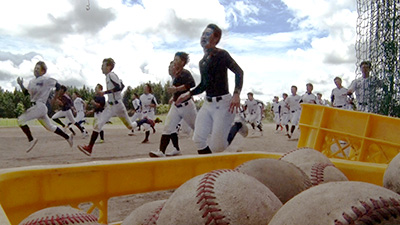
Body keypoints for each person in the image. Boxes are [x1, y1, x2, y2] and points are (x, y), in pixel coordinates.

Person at [176, 23, 247, 154]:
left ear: (216, 39)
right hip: (208, 104)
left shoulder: (222, 55)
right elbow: (204, 84)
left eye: (208, 34)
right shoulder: (202, 62)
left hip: (224, 104)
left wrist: (236, 94)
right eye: (203, 33)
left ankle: (237, 124)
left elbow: (239, 72)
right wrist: (188, 94)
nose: (203, 36)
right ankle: (208, 168)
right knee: (198, 139)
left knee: (218, 147)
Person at [77, 58, 135, 156]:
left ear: (108, 67)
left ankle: (146, 121)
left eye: (103, 65)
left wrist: (104, 92)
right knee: (98, 124)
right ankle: (89, 148)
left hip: (118, 105)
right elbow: (122, 86)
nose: (101, 67)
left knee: (130, 126)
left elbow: (118, 87)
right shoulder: (109, 76)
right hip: (112, 105)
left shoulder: (111, 75)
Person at [16, 61, 74, 152]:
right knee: (50, 127)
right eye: (35, 68)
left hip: (40, 106)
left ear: (43, 71)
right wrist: (21, 85)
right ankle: (68, 137)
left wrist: (55, 98)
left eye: (38, 68)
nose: (35, 70)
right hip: (37, 107)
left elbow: (58, 86)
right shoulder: (31, 82)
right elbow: (26, 94)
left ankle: (31, 139)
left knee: (20, 120)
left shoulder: (46, 80)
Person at [149, 52, 197, 157]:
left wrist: (176, 89)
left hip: (187, 106)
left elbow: (192, 84)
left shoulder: (185, 73)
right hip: (176, 106)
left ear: (183, 62)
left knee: (197, 128)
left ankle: (210, 146)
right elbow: (178, 91)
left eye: (177, 60)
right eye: (174, 59)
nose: (174, 62)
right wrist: (174, 96)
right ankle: (161, 151)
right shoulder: (176, 76)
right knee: (168, 127)